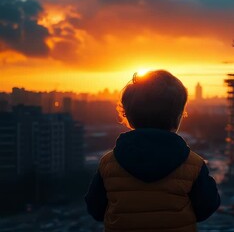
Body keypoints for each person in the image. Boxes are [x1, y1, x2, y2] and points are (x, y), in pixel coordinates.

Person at [85, 70, 220, 231]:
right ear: (178, 118)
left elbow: (96, 209)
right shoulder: (193, 165)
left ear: (127, 116)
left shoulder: (108, 164)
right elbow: (207, 206)